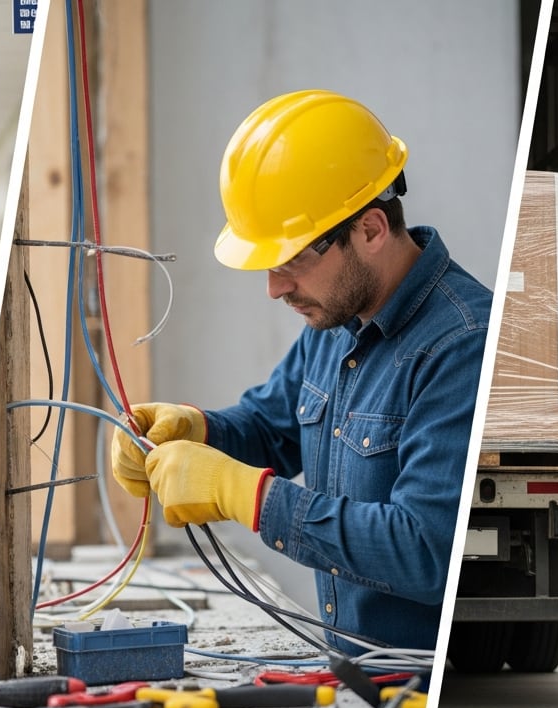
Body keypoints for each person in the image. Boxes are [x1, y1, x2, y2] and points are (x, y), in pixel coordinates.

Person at [110, 90, 493, 654]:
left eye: (291, 259)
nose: (275, 288)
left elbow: (427, 551)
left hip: (416, 684)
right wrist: (196, 429)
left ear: (370, 230)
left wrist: (250, 496)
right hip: (353, 669)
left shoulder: (462, 344)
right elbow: (272, 428)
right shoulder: (336, 320)